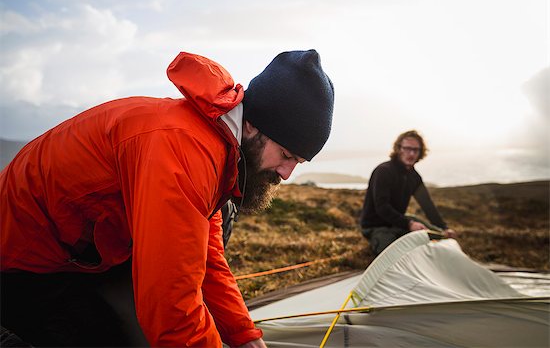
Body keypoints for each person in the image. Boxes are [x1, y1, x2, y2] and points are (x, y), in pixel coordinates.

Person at [0, 49, 334, 347]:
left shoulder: (216, 143)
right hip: (23, 262)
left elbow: (206, 256)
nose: (286, 173)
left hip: (84, 254)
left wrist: (244, 335)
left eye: (298, 163)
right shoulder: (182, 148)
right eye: (286, 154)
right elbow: (172, 310)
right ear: (252, 127)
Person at [359, 130, 456, 255]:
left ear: (420, 152)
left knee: (440, 236)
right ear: (399, 149)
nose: (411, 153)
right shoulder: (383, 171)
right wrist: (409, 224)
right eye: (407, 148)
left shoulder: (414, 177)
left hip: (399, 222)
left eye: (416, 150)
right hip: (376, 226)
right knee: (395, 256)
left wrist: (444, 228)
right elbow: (382, 207)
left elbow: (427, 205)